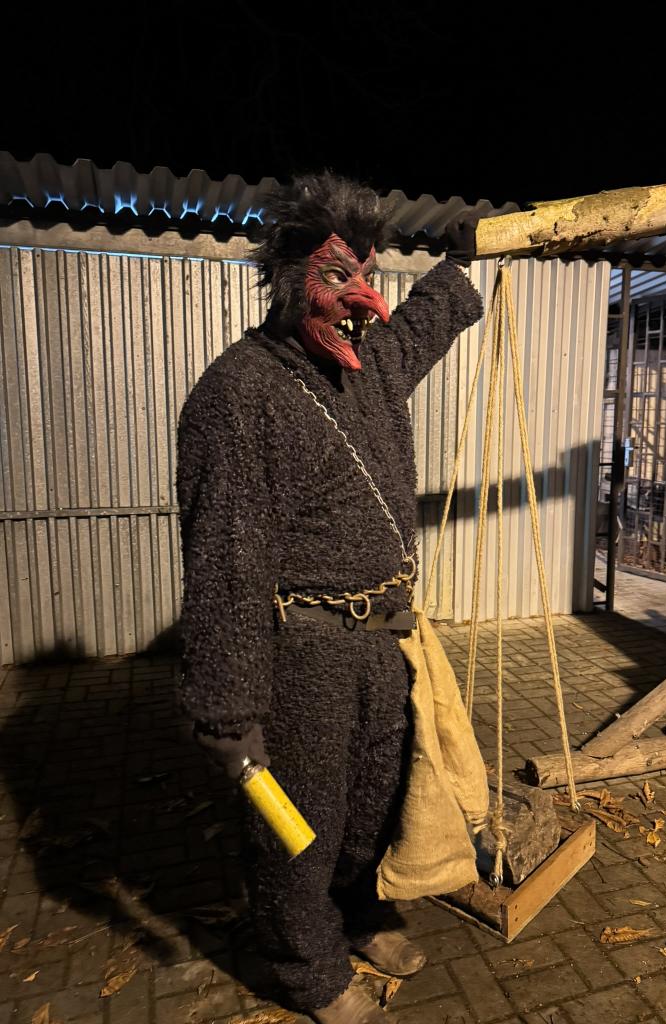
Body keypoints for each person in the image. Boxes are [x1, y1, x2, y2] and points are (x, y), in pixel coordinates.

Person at [176, 171, 482, 1023]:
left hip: (386, 640)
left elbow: (416, 330)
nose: (364, 299)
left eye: (368, 275)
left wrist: (457, 269)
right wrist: (228, 712)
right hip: (302, 653)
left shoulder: (367, 363)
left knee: (376, 798)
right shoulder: (238, 395)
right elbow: (225, 565)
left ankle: (360, 913)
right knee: (299, 825)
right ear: (288, 279)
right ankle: (306, 965)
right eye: (337, 275)